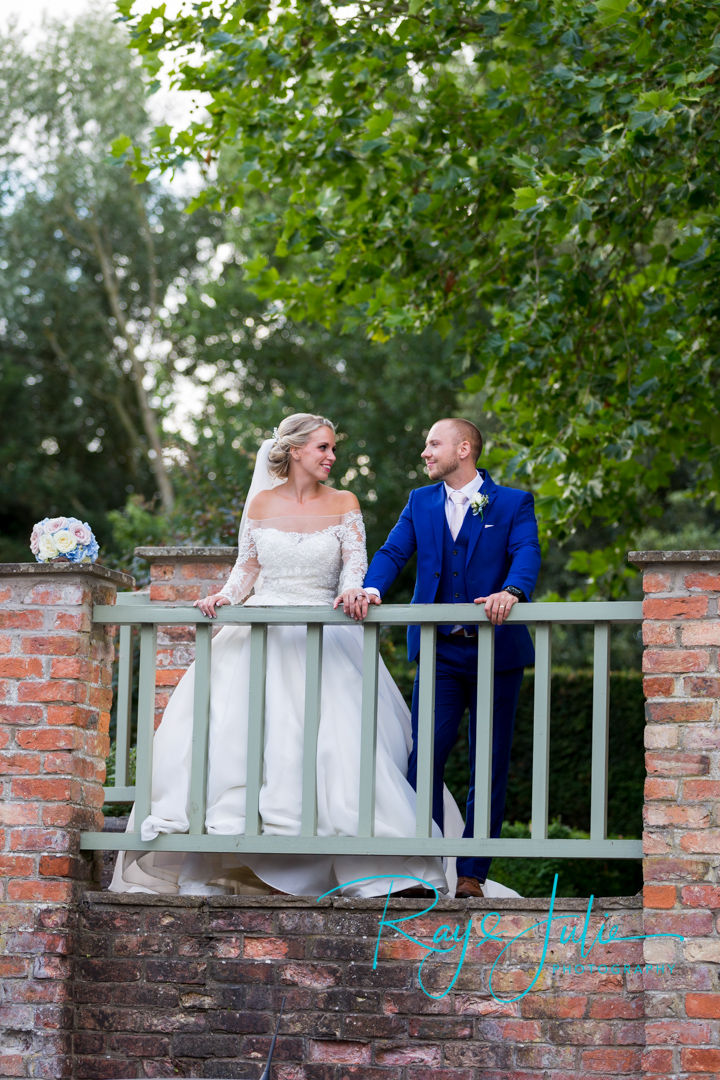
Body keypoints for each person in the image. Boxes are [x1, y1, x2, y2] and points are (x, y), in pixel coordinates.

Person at [109, 413, 448, 898]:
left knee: (336, 747)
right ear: (294, 452)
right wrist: (224, 597)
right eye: (323, 448)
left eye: (333, 449)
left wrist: (356, 591)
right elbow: (246, 567)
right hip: (259, 634)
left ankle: (368, 870)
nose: (332, 457)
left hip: (324, 633)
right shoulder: (263, 504)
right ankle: (238, 861)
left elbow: (354, 566)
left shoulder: (345, 503)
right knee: (237, 744)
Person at [354, 418, 541, 898]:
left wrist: (512, 590)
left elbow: (526, 552)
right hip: (439, 652)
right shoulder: (420, 502)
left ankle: (470, 874)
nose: (425, 452)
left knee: (490, 761)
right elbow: (394, 552)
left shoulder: (512, 502)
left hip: (496, 652)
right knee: (424, 760)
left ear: (464, 448)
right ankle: (429, 860)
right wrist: (371, 587)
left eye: (432, 443)